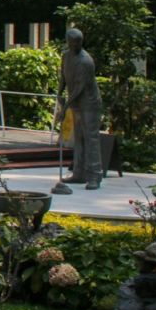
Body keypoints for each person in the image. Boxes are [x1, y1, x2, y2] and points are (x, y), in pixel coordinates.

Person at [56, 28, 103, 189]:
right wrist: (59, 94)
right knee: (79, 138)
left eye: (77, 43)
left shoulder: (86, 61)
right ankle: (79, 173)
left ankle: (95, 176)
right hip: (76, 103)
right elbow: (63, 77)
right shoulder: (66, 56)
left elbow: (79, 88)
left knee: (91, 138)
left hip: (89, 103)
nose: (74, 46)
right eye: (72, 43)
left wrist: (65, 108)